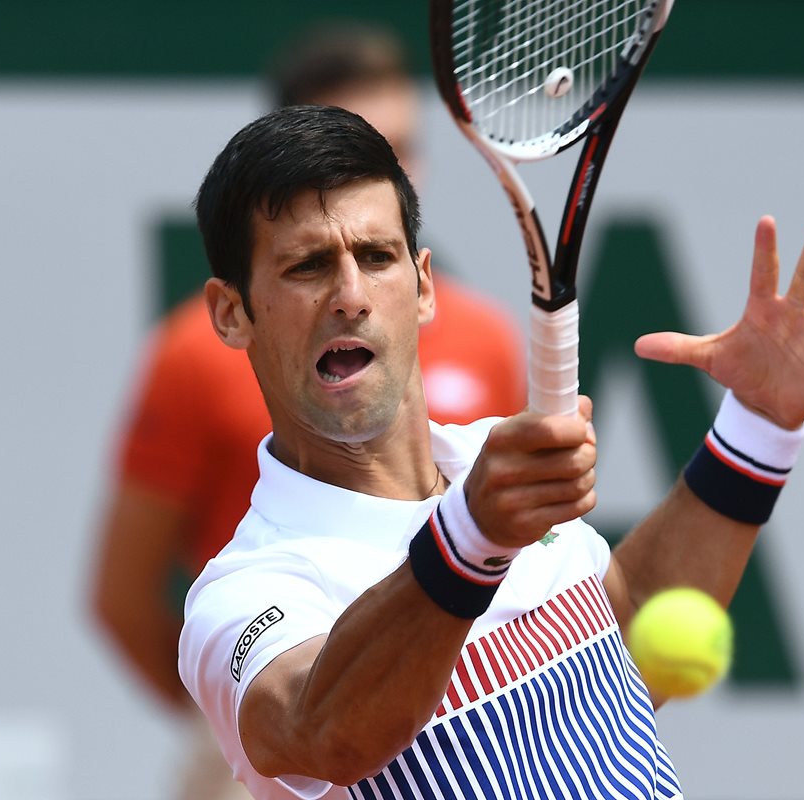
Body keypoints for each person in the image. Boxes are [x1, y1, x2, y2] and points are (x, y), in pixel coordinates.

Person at [177, 104, 804, 800]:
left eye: (377, 256)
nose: (351, 295)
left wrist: (756, 430)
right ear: (232, 313)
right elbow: (323, 730)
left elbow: (620, 649)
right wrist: (470, 537)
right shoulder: (245, 595)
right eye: (307, 266)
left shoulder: (493, 461)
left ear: (423, 286)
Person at [91, 23, 525, 800]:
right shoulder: (190, 357)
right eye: (350, 140)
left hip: (478, 716)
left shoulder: (487, 336)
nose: (379, 167)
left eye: (397, 148)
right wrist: (243, 718)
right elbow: (123, 592)